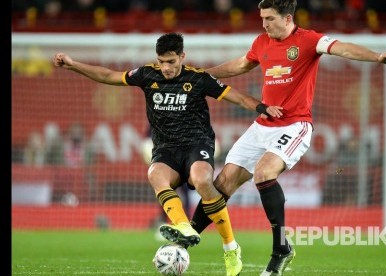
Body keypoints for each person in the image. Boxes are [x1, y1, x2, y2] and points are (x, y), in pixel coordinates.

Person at [187, 1, 386, 275]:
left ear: (287, 18)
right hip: (263, 124)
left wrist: (376, 57)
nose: (264, 24)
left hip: (294, 125)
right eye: (262, 18)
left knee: (265, 173)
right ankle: (188, 236)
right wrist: (203, 75)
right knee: (223, 181)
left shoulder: (308, 40)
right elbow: (242, 64)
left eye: (269, 18)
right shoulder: (262, 42)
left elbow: (342, 48)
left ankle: (281, 248)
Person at [52, 32, 283, 276]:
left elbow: (235, 97)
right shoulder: (147, 74)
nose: (166, 67)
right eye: (162, 61)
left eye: (171, 62)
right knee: (155, 174)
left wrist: (262, 108)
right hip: (166, 149)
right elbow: (108, 76)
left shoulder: (198, 79)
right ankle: (183, 226)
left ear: (182, 57)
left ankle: (230, 248)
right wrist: (74, 65)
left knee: (203, 180)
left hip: (196, 144)